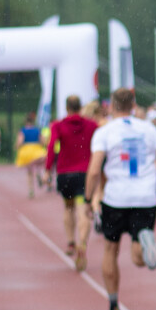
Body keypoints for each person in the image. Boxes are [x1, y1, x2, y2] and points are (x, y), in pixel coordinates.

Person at [84, 88, 156, 310]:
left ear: (111, 106)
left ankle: (113, 307)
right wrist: (154, 188)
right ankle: (144, 241)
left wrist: (87, 198)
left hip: (116, 198)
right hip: (144, 197)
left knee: (111, 249)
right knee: (138, 258)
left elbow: (93, 170)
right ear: (133, 104)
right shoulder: (149, 129)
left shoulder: (104, 132)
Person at [45, 95, 99, 271]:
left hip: (65, 173)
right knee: (84, 209)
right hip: (85, 172)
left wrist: (47, 170)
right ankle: (82, 242)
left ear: (67, 107)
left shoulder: (58, 125)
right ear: (80, 107)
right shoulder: (91, 125)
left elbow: (52, 146)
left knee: (68, 208)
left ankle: (70, 242)